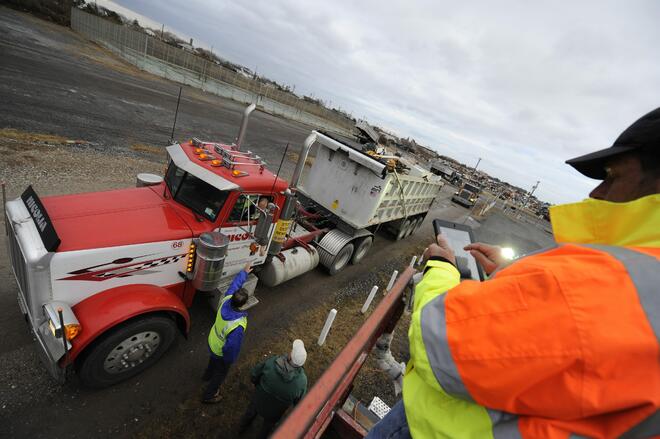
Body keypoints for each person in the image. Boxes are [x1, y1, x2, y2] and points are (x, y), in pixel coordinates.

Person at [368, 107, 660, 438]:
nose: (596, 193)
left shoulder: (604, 281)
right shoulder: (638, 278)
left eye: (613, 175)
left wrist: (442, 268)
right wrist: (517, 277)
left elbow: (439, 342)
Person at [202, 262, 252, 403]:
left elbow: (235, 285)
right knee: (221, 373)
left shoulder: (227, 300)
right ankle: (209, 395)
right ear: (243, 304)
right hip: (220, 351)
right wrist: (228, 361)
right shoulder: (237, 325)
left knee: (212, 363)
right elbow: (231, 348)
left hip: (212, 341)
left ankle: (206, 376)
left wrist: (244, 272)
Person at [238, 339, 308, 438]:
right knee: (267, 427)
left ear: (290, 356)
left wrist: (256, 383)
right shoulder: (302, 382)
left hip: (258, 400)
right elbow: (299, 403)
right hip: (274, 412)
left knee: (250, 412)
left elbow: (254, 374)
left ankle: (241, 428)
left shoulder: (272, 363)